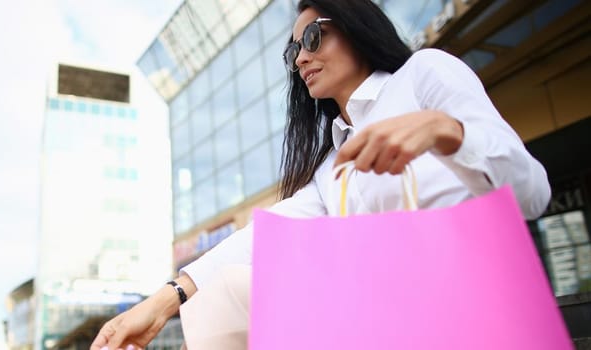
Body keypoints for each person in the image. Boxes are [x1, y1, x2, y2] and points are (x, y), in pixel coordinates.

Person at [90, 0, 551, 349]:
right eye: (293, 49)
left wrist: (446, 132)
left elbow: (534, 194)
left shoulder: (423, 74)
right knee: (228, 292)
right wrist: (162, 301)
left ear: (355, 26)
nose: (300, 58)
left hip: (475, 312)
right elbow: (262, 237)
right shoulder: (335, 167)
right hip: (396, 324)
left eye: (312, 37)